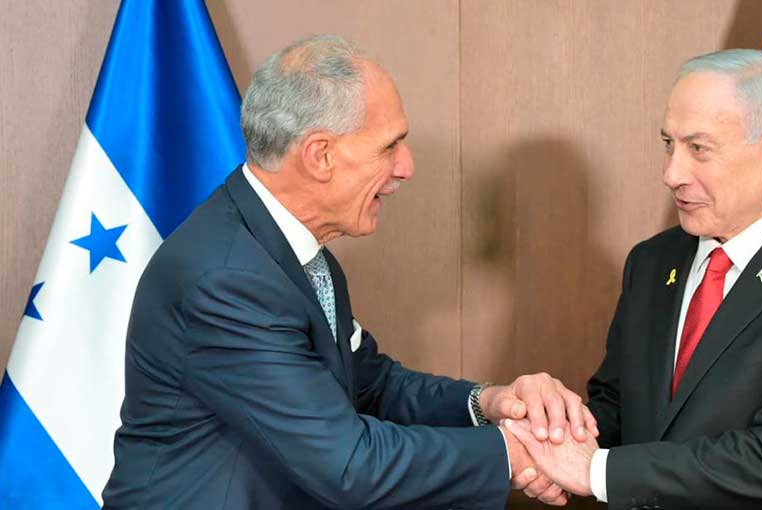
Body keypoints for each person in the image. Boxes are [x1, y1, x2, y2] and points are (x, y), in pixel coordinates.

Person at [101, 35, 595, 509]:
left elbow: (372, 385)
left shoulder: (295, 252)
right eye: (390, 146)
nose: (406, 167)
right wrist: (512, 453)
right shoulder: (226, 279)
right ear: (320, 155)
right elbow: (348, 465)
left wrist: (490, 403)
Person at [504, 49, 762, 509]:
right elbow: (620, 409)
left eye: (699, 149)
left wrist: (594, 471)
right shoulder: (652, 262)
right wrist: (548, 440)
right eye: (668, 144)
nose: (671, 174)